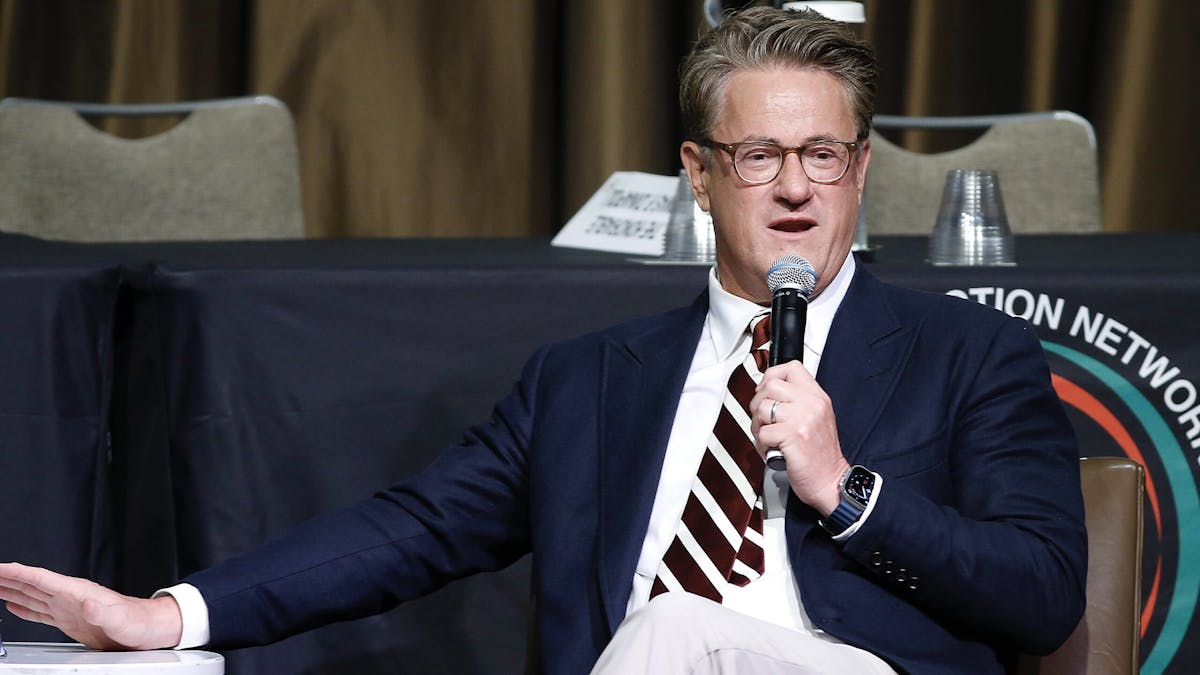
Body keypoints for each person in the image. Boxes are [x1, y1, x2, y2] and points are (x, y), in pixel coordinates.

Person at [0, 7, 1085, 674]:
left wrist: (847, 490)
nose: (796, 188)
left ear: (860, 169)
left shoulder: (969, 354)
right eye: (759, 156)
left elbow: (1040, 596)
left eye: (824, 156)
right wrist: (170, 613)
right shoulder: (589, 381)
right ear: (700, 174)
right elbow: (411, 531)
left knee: (671, 628)